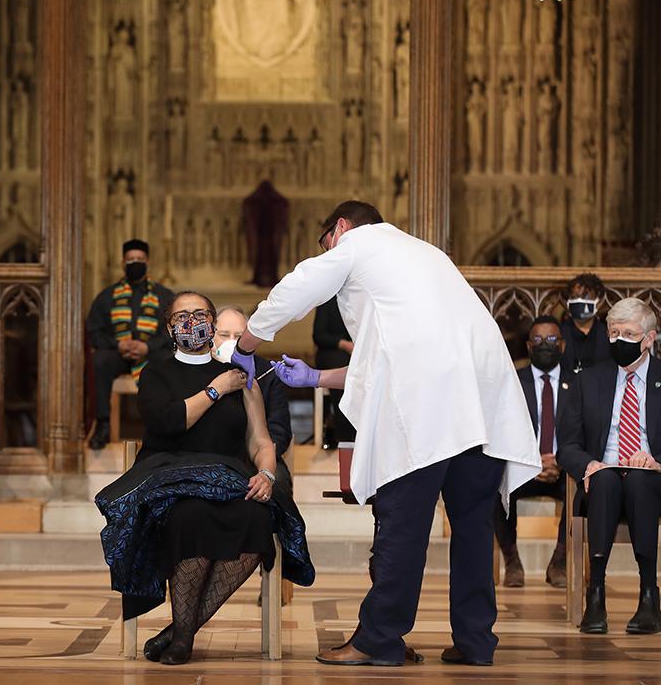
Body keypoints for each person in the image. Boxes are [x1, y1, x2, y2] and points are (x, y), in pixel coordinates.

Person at [229, 200, 540, 667]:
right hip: (483, 406)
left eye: (326, 242)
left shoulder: (357, 245)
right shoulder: (427, 255)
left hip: (428, 408)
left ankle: (379, 640)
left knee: (401, 522)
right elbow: (391, 355)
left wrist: (244, 345)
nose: (328, 251)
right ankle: (476, 643)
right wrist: (314, 378)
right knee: (474, 527)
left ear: (340, 227)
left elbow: (294, 290)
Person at [94, 292, 314, 665]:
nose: (191, 323)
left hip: (228, 479)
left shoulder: (241, 377)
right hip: (171, 477)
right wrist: (215, 390)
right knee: (189, 517)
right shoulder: (156, 373)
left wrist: (266, 471)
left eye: (200, 315)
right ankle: (183, 638)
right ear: (169, 327)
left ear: (212, 323)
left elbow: (261, 439)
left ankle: (183, 628)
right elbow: (170, 422)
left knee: (257, 519)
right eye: (182, 316)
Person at [557, 297, 661, 635]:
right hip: (603, 481)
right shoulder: (589, 381)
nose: (618, 341)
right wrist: (589, 464)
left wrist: (657, 461)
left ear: (649, 339)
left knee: (639, 481)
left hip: (658, 482)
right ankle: (596, 596)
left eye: (628, 334)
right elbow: (567, 445)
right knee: (607, 479)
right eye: (613, 333)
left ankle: (649, 597)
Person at [494, 315, 572, 588]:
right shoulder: (514, 381)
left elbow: (584, 433)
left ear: (562, 345)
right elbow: (504, 429)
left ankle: (559, 561)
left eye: (551, 340)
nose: (544, 345)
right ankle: (512, 560)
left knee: (588, 490)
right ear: (528, 345)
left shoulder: (578, 384)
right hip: (524, 467)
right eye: (537, 340)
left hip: (564, 471)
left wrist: (560, 461)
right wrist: (531, 461)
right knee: (495, 485)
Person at [86, 239, 175, 450]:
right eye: (131, 259)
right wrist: (117, 345)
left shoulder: (164, 296)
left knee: (168, 360)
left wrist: (148, 347)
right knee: (99, 360)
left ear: (148, 262)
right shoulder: (107, 297)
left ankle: (164, 426)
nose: (135, 263)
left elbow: (172, 331)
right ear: (122, 262)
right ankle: (103, 425)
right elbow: (94, 331)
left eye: (140, 259)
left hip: (152, 354)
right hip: (119, 355)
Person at [212, 305, 292, 460]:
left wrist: (263, 458)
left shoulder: (268, 372)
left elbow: (280, 429)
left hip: (258, 458)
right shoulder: (202, 369)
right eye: (224, 335)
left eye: (238, 336)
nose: (232, 342)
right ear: (211, 336)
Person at [312, 296, 355, 448]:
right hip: (333, 351)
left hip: (360, 352)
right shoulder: (328, 299)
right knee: (340, 367)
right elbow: (319, 336)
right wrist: (345, 345)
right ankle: (345, 436)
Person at [560, 272, 610, 374]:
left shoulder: (608, 335)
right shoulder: (559, 333)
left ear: (599, 302)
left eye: (585, 297)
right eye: (574, 297)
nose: (579, 301)